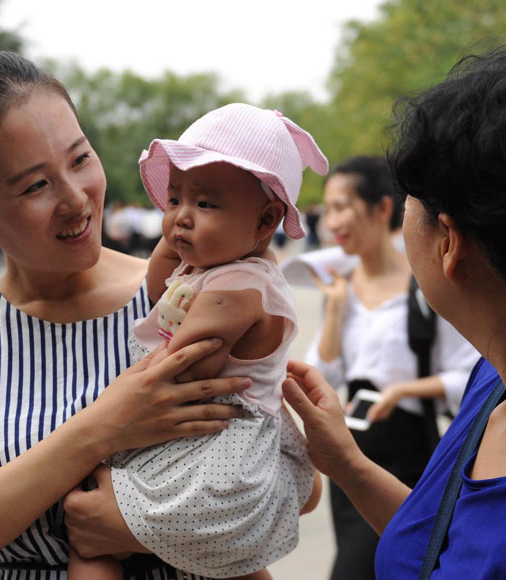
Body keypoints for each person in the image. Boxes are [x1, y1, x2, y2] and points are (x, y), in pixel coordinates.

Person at [0, 50, 252, 580]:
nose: (76, 199)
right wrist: (101, 428)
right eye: (35, 185)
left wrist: (135, 524)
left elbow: (292, 485)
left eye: (80, 159)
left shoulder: (187, 293)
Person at [283, 46, 506, 577]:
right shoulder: (496, 379)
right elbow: (442, 550)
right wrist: (346, 462)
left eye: (409, 204)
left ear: (449, 245)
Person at [66, 104, 325, 580]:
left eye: (205, 205)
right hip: (202, 434)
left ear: (266, 221)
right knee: (231, 566)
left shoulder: (239, 289)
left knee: (91, 539)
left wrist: (110, 405)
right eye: (173, 200)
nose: (181, 217)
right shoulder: (212, 269)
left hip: (217, 450)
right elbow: (156, 289)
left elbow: (189, 366)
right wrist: (178, 236)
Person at [303, 155, 479, 580]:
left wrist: (403, 391)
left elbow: (469, 377)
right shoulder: (340, 288)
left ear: (383, 209)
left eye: (342, 206)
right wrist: (334, 313)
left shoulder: (427, 287)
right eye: (327, 211)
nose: (332, 222)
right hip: (352, 451)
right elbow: (321, 379)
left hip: (410, 457)